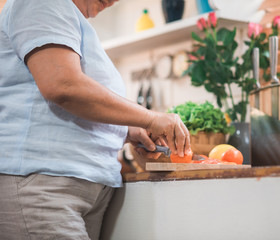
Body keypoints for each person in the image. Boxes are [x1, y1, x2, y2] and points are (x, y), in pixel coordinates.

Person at [0, 0, 191, 239]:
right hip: (43, 184)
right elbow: (63, 85)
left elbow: (76, 101)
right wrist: (150, 118)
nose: (114, 1)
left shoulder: (70, 20)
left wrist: (126, 129)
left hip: (73, 187)